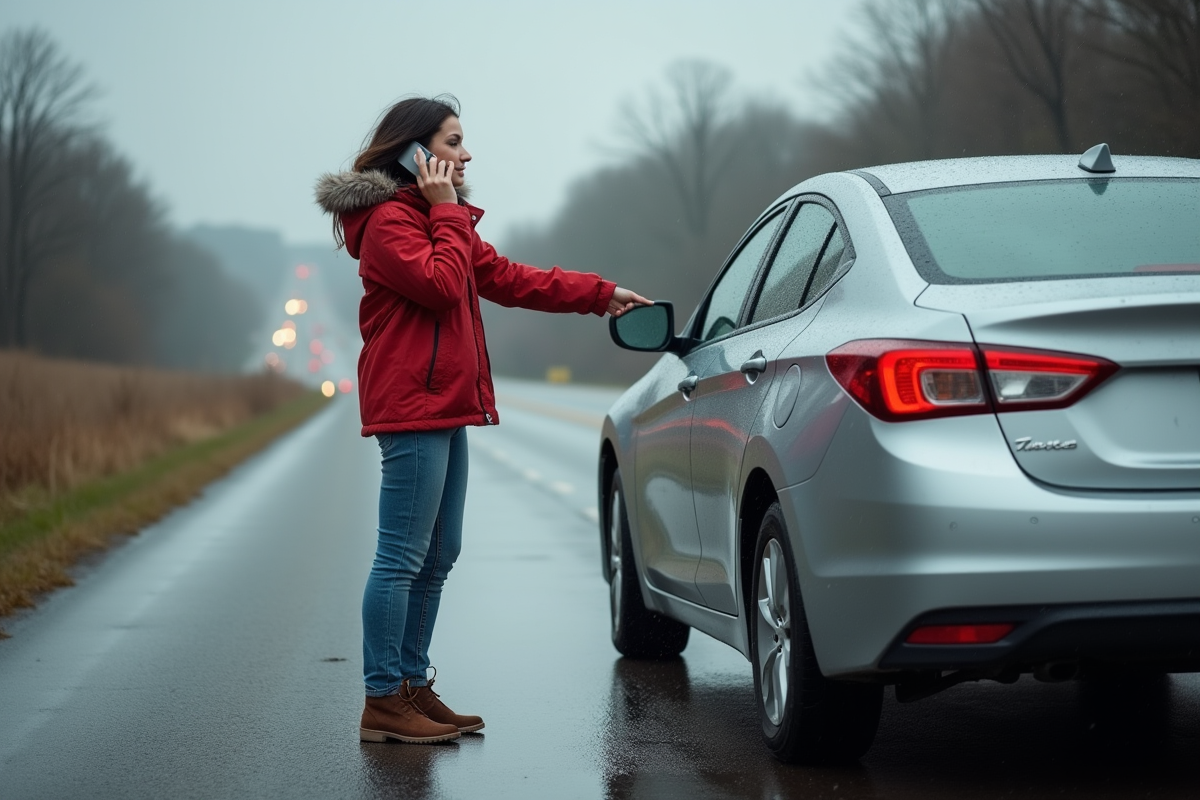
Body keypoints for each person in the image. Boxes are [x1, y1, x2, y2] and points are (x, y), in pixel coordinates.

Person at [314, 95, 650, 745]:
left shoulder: (434, 218)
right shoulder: (387, 222)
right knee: (401, 556)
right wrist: (446, 210)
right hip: (413, 405)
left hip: (445, 403)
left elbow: (508, 278)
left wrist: (598, 294)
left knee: (441, 552)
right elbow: (442, 285)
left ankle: (411, 685)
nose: (466, 155)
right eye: (453, 142)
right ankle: (382, 699)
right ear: (415, 153)